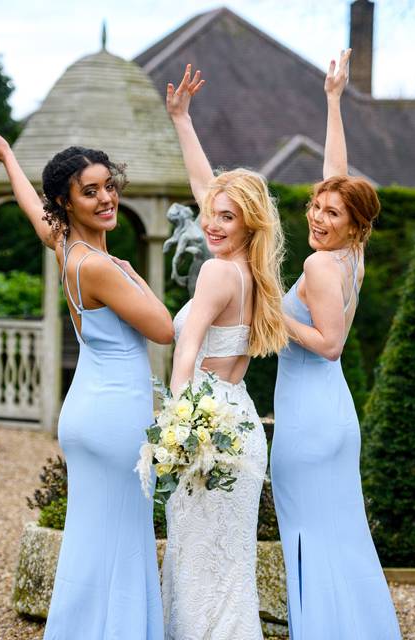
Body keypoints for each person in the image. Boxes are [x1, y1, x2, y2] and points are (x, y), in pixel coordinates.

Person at [0, 129, 173, 640]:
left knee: (92, 539)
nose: (106, 198)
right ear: (67, 201)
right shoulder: (100, 266)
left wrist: (9, 156)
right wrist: (134, 276)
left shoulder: (64, 249)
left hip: (88, 412)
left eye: (108, 186)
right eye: (90, 191)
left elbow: (35, 214)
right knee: (122, 538)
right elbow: (163, 328)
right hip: (115, 415)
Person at [269, 50, 403, 639]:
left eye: (332, 213)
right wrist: (333, 100)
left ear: (355, 225)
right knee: (339, 534)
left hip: (311, 415)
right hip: (328, 412)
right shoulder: (350, 256)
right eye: (316, 207)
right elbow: (339, 172)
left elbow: (328, 345)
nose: (319, 217)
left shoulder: (321, 265)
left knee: (311, 535)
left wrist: (271, 308)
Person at [161, 65, 288, 640]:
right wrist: (183, 121)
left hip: (208, 425)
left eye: (225, 217)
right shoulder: (254, 274)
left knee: (197, 561)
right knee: (226, 567)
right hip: (238, 418)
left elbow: (185, 352)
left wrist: (177, 425)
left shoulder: (217, 273)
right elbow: (206, 189)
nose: (210, 223)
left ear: (248, 224)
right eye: (210, 214)